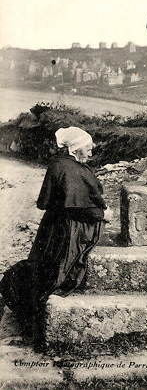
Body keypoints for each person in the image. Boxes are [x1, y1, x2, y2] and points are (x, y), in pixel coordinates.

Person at [0, 126, 113, 345]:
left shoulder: (57, 165)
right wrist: (102, 214)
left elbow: (44, 202)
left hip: (51, 227)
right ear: (75, 149)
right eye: (88, 148)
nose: (91, 153)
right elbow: (81, 207)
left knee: (42, 262)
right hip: (71, 229)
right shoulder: (73, 170)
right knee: (56, 272)